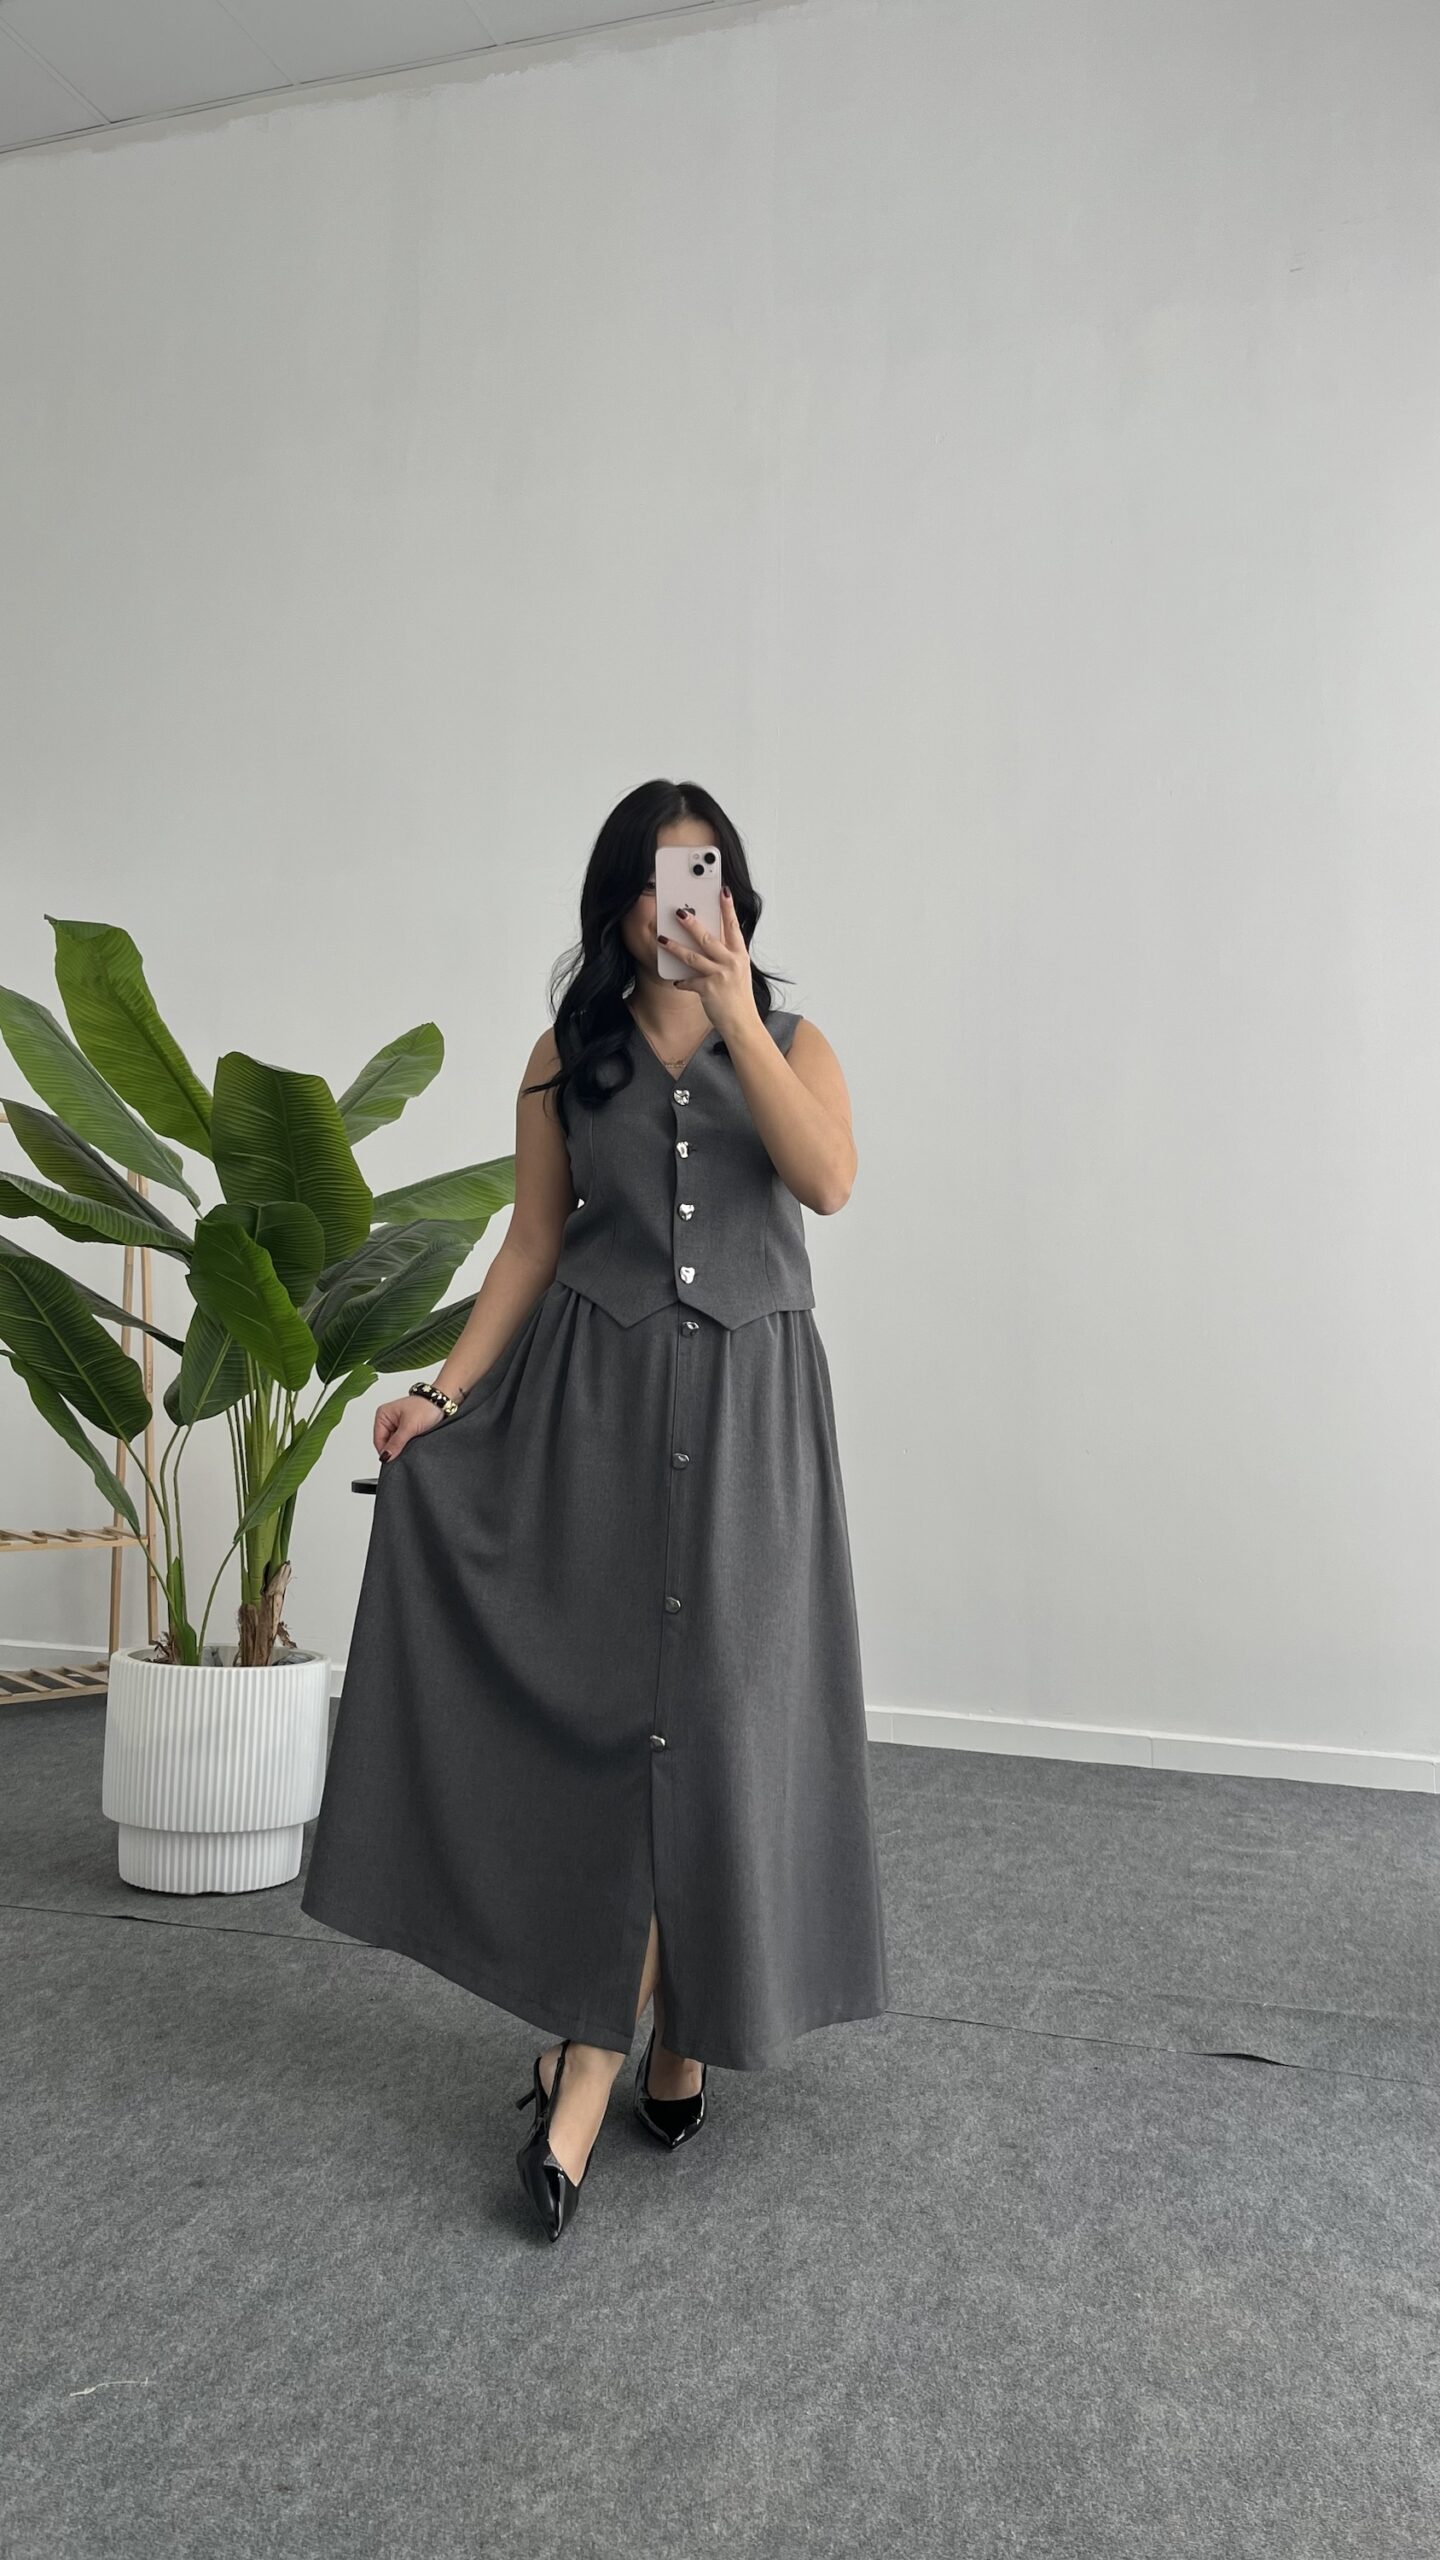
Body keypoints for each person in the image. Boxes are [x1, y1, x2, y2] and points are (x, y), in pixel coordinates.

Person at [300, 779, 889, 2243]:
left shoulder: (797, 1041)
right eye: (655, 880)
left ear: (731, 893)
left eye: (705, 876)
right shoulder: (568, 1055)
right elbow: (531, 1243)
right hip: (594, 1417)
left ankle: (645, 2040)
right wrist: (441, 1396)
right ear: (618, 900)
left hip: (750, 1427)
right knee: (625, 1722)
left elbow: (828, 1182)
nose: (679, 904)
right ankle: (603, 2056)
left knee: (720, 1724)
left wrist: (737, 1009)